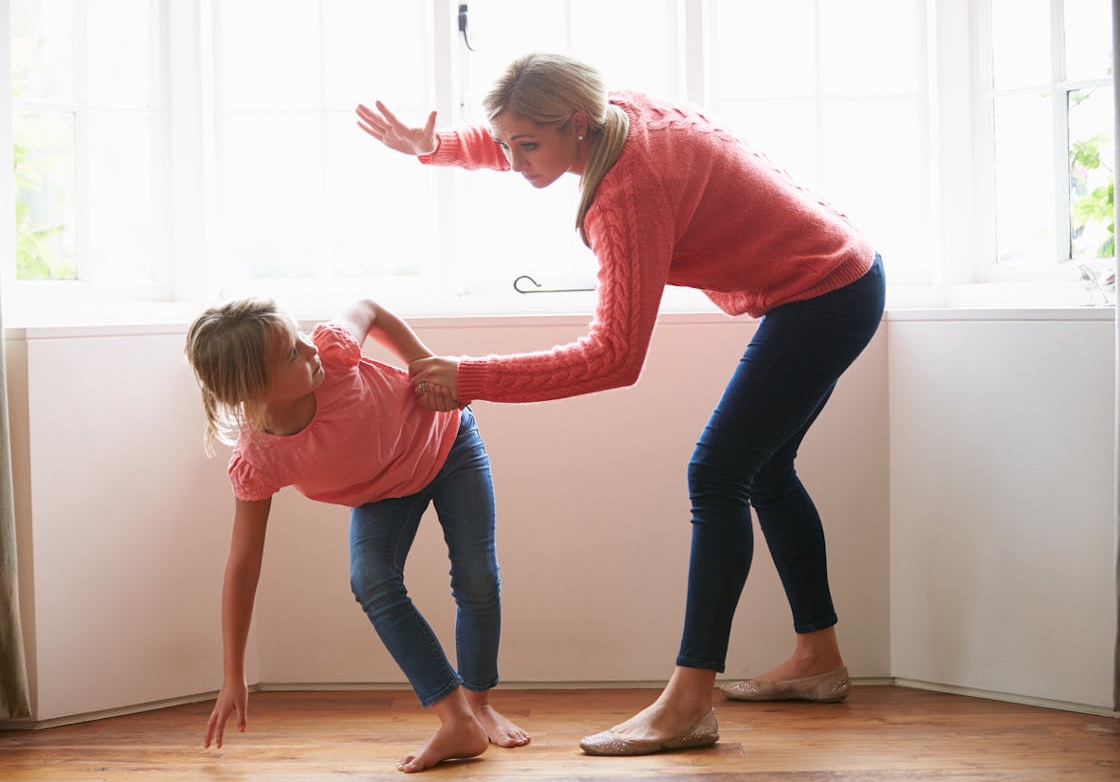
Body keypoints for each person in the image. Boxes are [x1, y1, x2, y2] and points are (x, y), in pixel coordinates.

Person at [356, 52, 886, 756]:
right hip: (839, 276)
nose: (514, 162)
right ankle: (819, 660)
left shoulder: (626, 194)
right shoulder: (611, 114)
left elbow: (613, 359)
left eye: (528, 146)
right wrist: (439, 147)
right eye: (507, 143)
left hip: (824, 296)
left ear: (576, 124)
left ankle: (688, 703)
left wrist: (468, 376)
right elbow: (513, 133)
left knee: (717, 474)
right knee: (762, 471)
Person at [184, 297, 530, 773]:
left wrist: (427, 369)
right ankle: (457, 723)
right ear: (254, 387)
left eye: (300, 335)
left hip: (447, 444)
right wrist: (232, 674)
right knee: (370, 579)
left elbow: (369, 308)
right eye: (291, 354)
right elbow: (242, 565)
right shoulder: (261, 458)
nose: (310, 349)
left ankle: (480, 701)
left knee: (476, 577)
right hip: (385, 492)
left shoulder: (333, 353)